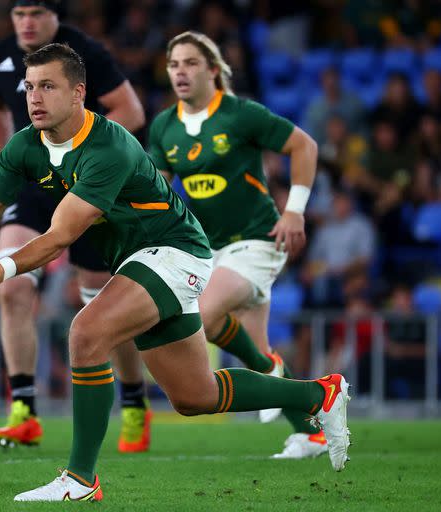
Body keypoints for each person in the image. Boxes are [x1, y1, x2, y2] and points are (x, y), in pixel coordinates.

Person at [0, 43, 350, 502]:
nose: (34, 98)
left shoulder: (108, 146)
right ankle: (319, 396)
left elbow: (61, 236)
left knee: (86, 334)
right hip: (139, 261)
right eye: (30, 87)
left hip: (175, 252)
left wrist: (3, 267)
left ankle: (80, 480)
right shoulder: (25, 144)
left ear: (78, 94)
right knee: (195, 396)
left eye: (48, 87)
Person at [0, 0, 149, 452]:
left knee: (102, 306)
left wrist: (83, 156)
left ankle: (134, 402)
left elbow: (130, 112)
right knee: (12, 284)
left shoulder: (85, 53)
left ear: (56, 17)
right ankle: (23, 410)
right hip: (34, 184)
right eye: (19, 14)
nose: (27, 23)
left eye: (36, 13)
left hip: (87, 183)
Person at [148, 31, 326, 459]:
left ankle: (267, 366)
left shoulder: (240, 113)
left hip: (258, 241)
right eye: (174, 65)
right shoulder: (164, 126)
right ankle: (313, 431)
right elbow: (155, 191)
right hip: (210, 250)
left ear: (213, 69)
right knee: (255, 348)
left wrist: (295, 210)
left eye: (190, 63)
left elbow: (304, 145)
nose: (180, 72)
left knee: (200, 314)